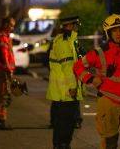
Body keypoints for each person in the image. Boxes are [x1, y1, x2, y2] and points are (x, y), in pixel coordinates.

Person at [73, 14, 120, 149]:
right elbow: (77, 66)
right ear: (108, 33)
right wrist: (90, 78)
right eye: (115, 30)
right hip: (107, 102)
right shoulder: (98, 53)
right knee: (109, 143)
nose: (118, 34)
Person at [46, 16, 84, 149]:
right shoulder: (64, 42)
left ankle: (61, 145)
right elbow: (68, 68)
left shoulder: (69, 41)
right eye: (75, 25)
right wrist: (73, 86)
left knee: (64, 121)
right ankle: (62, 145)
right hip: (66, 89)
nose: (77, 27)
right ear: (70, 26)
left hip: (64, 88)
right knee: (66, 122)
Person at [0, 17, 16, 129]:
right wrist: (8, 69)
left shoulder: (2, 36)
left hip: (2, 69)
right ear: (5, 24)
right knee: (2, 95)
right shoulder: (2, 36)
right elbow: (4, 54)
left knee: (3, 94)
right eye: (11, 25)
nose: (12, 27)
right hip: (3, 70)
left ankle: (0, 120)